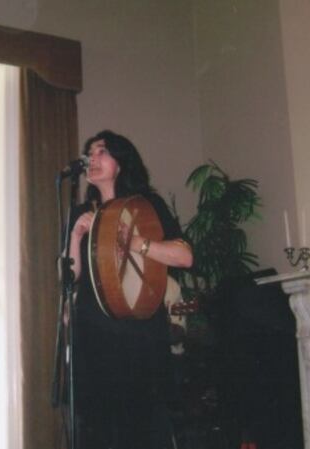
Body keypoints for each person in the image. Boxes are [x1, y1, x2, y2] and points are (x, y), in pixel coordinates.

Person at [68, 130, 193, 449]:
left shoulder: (147, 207)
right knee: (98, 431)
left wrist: (134, 242)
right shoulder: (80, 213)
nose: (92, 158)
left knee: (142, 430)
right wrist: (76, 237)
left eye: (102, 151)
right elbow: (72, 277)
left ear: (122, 162)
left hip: (138, 339)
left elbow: (184, 256)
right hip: (93, 336)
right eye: (89, 153)